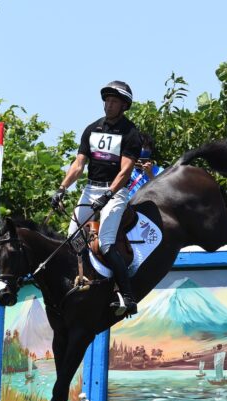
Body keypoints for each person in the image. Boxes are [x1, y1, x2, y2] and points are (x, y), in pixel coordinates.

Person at [50, 81, 143, 317]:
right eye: (107, 101)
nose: (108, 105)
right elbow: (79, 164)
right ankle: (87, 280)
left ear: (124, 105)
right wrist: (62, 188)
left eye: (113, 102)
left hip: (116, 191)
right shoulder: (91, 129)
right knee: (73, 236)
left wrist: (109, 195)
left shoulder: (131, 134)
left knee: (105, 242)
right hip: (91, 188)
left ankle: (128, 295)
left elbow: (125, 172)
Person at [127, 133, 162, 197]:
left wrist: (150, 174)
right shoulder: (126, 167)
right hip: (126, 205)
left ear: (151, 150)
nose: (141, 149)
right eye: (139, 146)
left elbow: (162, 193)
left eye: (145, 147)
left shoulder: (160, 171)